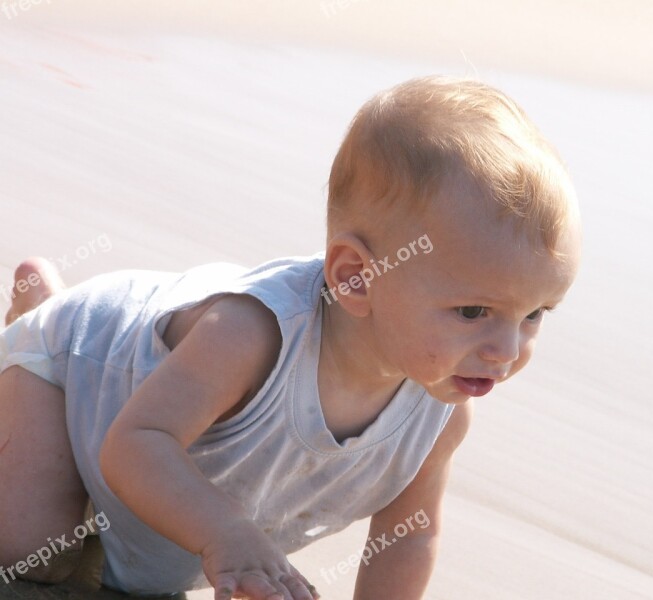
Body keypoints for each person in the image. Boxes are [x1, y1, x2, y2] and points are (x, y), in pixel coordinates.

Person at [0, 76, 582, 600]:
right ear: (357, 278)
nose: (508, 349)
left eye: (535, 314)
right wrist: (226, 531)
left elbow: (407, 537)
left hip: (138, 412)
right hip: (75, 366)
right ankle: (42, 310)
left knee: (137, 572)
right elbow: (134, 444)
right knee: (30, 553)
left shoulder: (441, 411)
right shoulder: (249, 337)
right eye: (474, 310)